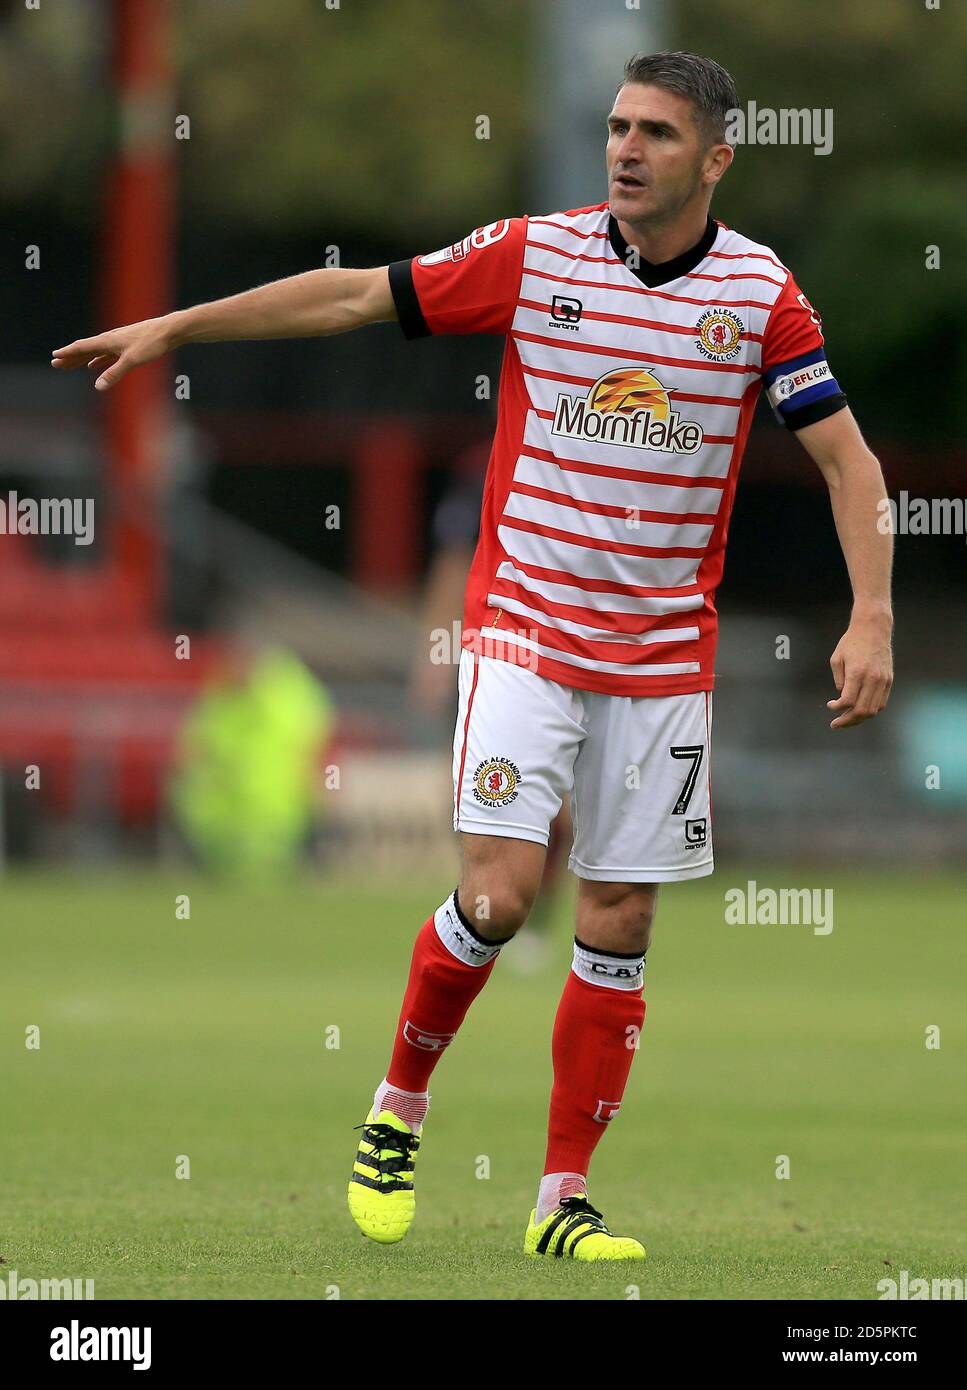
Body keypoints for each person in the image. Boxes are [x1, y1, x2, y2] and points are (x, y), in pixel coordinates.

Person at [52, 51, 894, 1263]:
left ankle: (561, 1200)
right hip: (524, 627)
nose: (623, 149)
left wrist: (869, 614)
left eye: (655, 132)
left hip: (660, 660)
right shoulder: (534, 255)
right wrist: (178, 326)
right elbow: (350, 296)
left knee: (616, 920)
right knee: (500, 896)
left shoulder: (760, 298)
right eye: (615, 126)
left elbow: (849, 464)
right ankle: (398, 1106)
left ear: (714, 158)